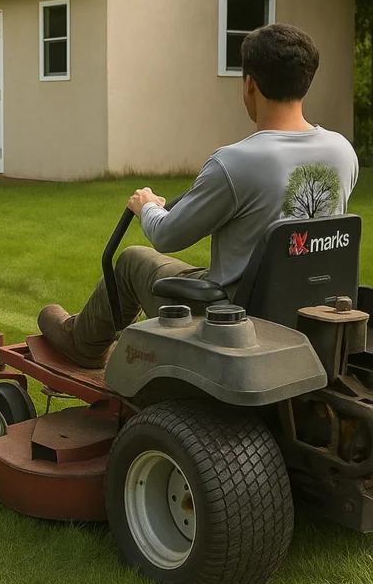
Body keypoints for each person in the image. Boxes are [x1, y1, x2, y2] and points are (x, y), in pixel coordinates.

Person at [38, 23, 359, 369]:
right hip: (306, 305)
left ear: (250, 84)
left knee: (131, 260)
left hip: (234, 317)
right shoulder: (342, 152)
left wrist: (146, 207)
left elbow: (167, 235)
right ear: (305, 81)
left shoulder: (235, 163)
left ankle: (83, 343)